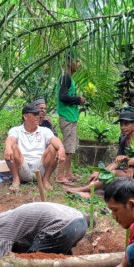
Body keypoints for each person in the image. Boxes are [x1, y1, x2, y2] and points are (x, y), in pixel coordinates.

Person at [64, 109, 134, 199]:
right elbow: (116, 162)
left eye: (126, 124)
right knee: (100, 173)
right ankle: (93, 192)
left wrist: (127, 160)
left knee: (113, 173)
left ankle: (84, 190)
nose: (123, 127)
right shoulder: (124, 139)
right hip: (125, 172)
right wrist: (100, 172)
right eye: (121, 124)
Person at [0, 203, 87, 261]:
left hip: (64, 227)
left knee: (32, 262)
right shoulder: (7, 218)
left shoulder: (1, 229)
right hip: (80, 222)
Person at [4, 102, 66, 191]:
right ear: (25, 117)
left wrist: (61, 147)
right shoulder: (16, 130)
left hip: (40, 168)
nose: (38, 116)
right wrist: (8, 147)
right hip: (22, 167)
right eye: (34, 114)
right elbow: (11, 139)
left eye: (38, 114)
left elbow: (54, 139)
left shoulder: (45, 130)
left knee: (54, 147)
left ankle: (46, 179)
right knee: (11, 146)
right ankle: (16, 179)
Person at [56, 52, 85, 185]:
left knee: (71, 146)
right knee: (67, 147)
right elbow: (63, 97)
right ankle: (60, 176)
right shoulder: (65, 78)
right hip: (66, 117)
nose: (78, 64)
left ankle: (68, 173)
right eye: (77, 61)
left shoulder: (69, 79)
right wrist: (79, 99)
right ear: (69, 62)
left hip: (71, 117)